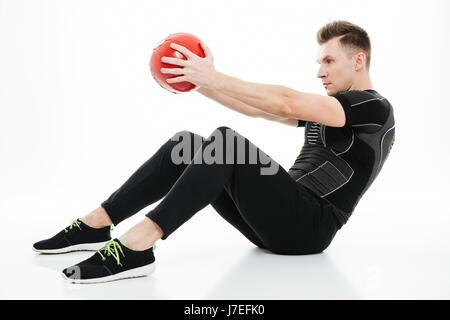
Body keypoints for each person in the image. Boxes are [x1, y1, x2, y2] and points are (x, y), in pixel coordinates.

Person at [33, 20, 395, 284]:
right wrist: (199, 81)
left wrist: (212, 77)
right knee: (186, 144)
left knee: (225, 142)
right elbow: (258, 109)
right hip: (279, 220)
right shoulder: (334, 108)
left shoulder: (373, 108)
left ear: (358, 61)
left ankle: (138, 246)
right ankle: (97, 224)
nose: (319, 71)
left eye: (329, 61)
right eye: (319, 62)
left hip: (310, 228)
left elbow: (285, 103)